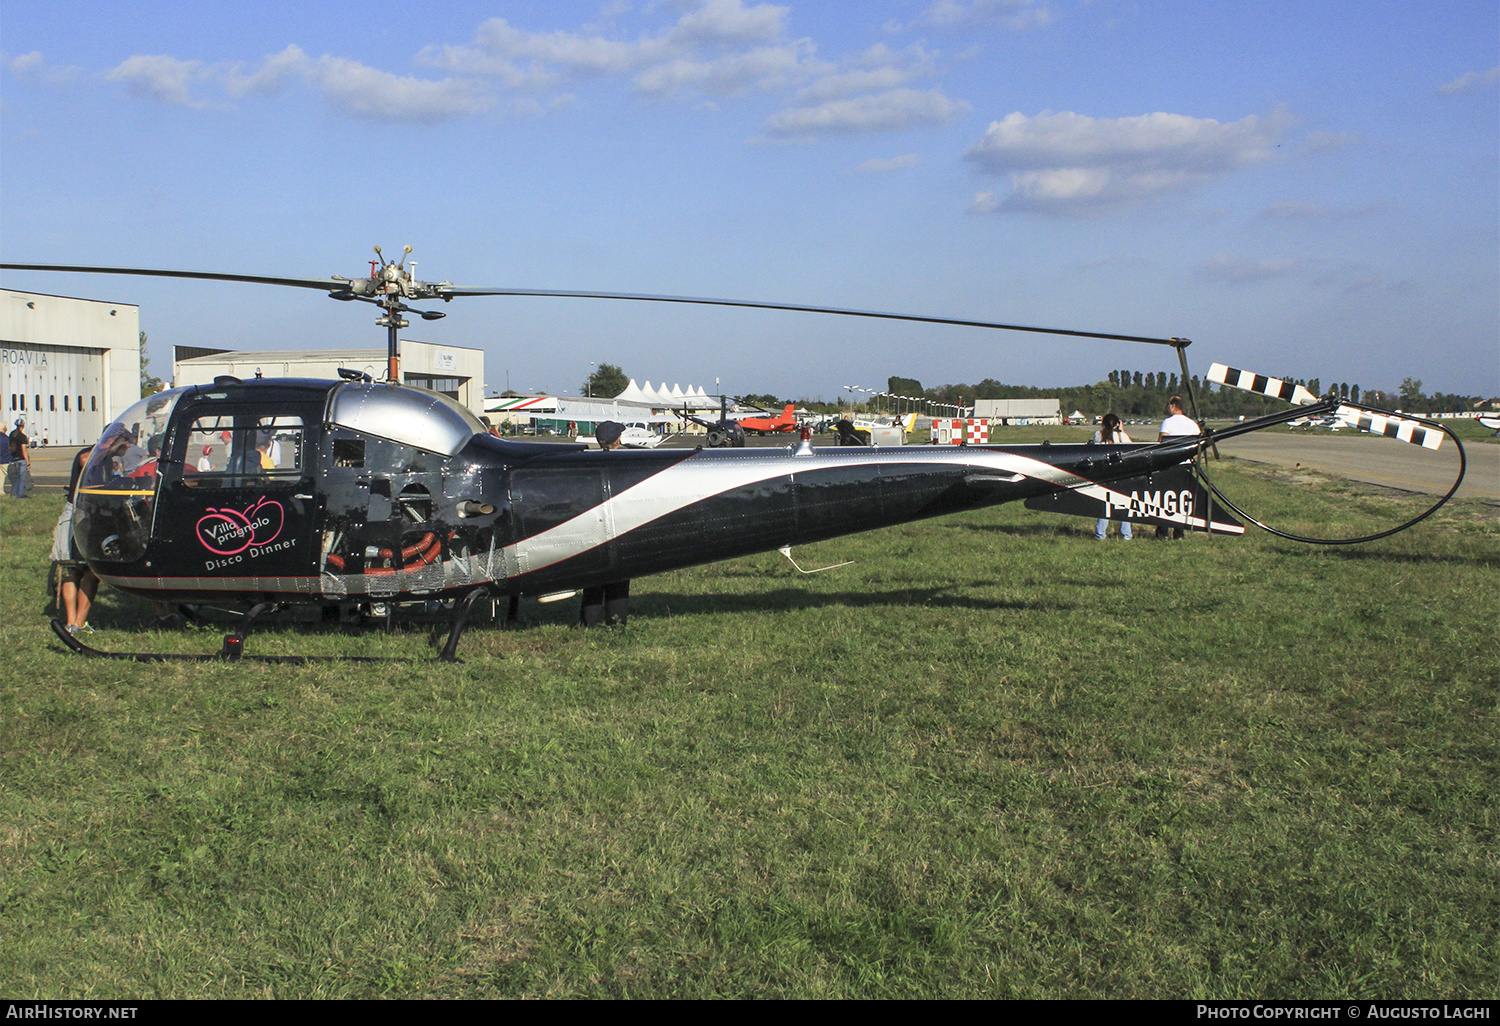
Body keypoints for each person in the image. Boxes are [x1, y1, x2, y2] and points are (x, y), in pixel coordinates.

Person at [581, 421, 629, 626]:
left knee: (592, 579)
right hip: (620, 523)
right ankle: (616, 621)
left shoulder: (587, 461)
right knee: (619, 578)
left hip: (593, 525)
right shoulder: (627, 462)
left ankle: (589, 622)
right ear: (618, 439)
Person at [52, 446, 100, 634]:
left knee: (90, 573)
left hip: (93, 513)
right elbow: (83, 459)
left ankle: (79, 622)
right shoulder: (92, 453)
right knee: (74, 569)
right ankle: (72, 623)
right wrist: (106, 452)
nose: (127, 446)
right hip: (79, 514)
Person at [1156, 395, 1200, 539]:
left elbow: (1161, 443)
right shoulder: (1193, 424)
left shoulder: (1167, 422)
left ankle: (1162, 531)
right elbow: (1198, 448)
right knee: (1182, 499)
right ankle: (1179, 532)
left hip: (1169, 464)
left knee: (1165, 498)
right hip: (1186, 465)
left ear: (1173, 406)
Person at [1093, 413, 1132, 541]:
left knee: (1104, 504)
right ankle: (1126, 534)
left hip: (1105, 474)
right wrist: (1123, 431)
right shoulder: (1122, 436)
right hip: (1121, 473)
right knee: (1123, 503)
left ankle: (1100, 533)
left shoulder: (1099, 435)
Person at [7, 417, 31, 498]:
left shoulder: (12, 434)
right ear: (23, 425)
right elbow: (23, 449)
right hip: (21, 459)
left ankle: (13, 494)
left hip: (14, 458)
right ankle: (20, 495)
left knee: (16, 478)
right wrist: (27, 461)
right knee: (22, 478)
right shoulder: (22, 436)